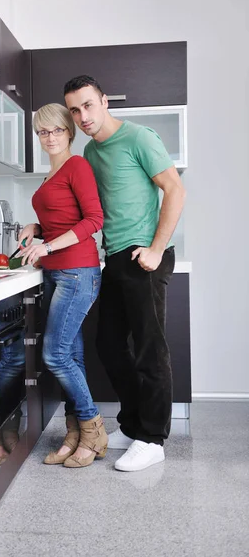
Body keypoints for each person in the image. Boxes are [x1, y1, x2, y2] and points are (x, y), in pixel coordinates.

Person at [64, 75, 186, 472]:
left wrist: (154, 250)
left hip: (144, 256)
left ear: (104, 101)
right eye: (74, 110)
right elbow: (89, 210)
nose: (82, 116)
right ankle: (134, 426)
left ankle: (153, 438)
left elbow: (175, 189)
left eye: (87, 105)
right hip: (115, 257)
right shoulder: (90, 152)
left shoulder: (139, 138)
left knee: (151, 349)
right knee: (109, 345)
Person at [18, 103, 108, 468]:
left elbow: (93, 220)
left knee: (54, 355)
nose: (50, 137)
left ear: (69, 131)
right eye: (43, 132)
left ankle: (93, 428)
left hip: (77, 272)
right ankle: (74, 433)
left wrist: (48, 245)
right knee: (72, 355)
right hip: (56, 272)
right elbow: (60, 218)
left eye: (56, 130)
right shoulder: (51, 173)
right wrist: (36, 228)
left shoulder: (77, 166)